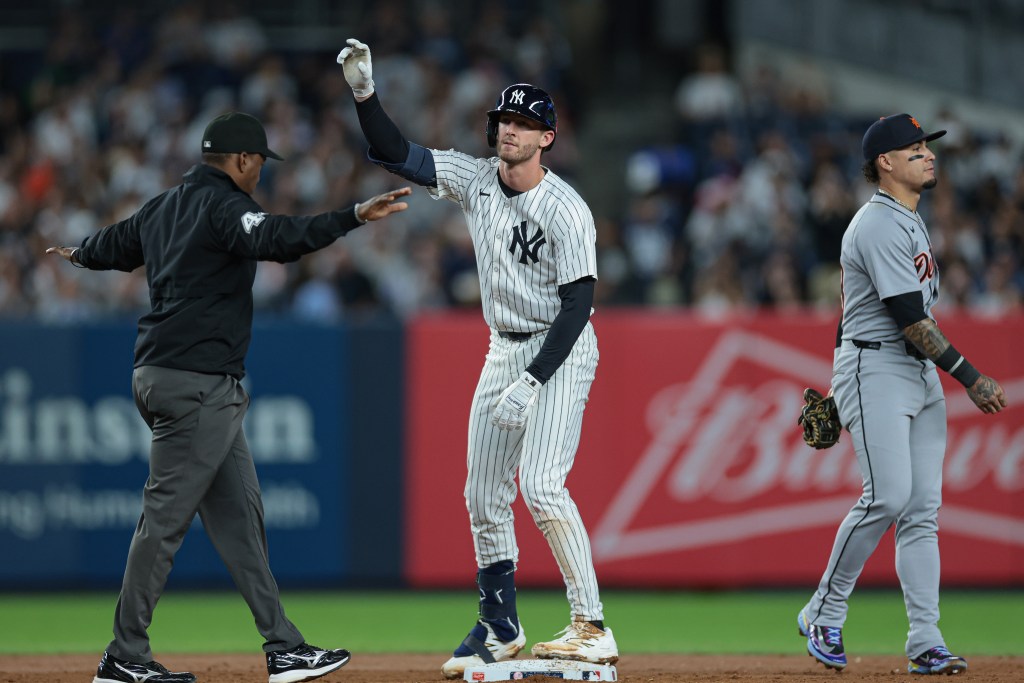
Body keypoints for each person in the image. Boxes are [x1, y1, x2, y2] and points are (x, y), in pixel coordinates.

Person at [46, 111, 411, 683]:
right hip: (196, 384)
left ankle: (283, 647)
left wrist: (80, 252)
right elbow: (278, 239)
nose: (262, 171)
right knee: (163, 523)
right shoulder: (226, 206)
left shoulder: (164, 205)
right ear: (241, 160)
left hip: (169, 376)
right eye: (260, 161)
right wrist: (353, 215)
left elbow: (116, 245)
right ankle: (124, 657)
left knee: (241, 518)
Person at [336, 39, 619, 679]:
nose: (509, 131)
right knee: (482, 494)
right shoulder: (476, 179)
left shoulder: (567, 208)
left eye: (523, 124)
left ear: (547, 137)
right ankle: (500, 624)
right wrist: (364, 96)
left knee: (543, 487)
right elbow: (393, 152)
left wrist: (535, 380)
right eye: (503, 122)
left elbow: (578, 308)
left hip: (561, 347)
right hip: (504, 347)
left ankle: (591, 626)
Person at [797, 113, 1008, 675]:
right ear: (884, 163)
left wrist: (845, 385)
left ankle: (925, 640)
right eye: (915, 148)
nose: (928, 154)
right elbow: (910, 319)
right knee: (887, 497)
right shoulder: (879, 224)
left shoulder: (910, 221)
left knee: (921, 513)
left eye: (927, 147)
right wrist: (970, 376)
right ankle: (824, 609)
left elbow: (857, 310)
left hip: (901, 372)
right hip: (880, 364)